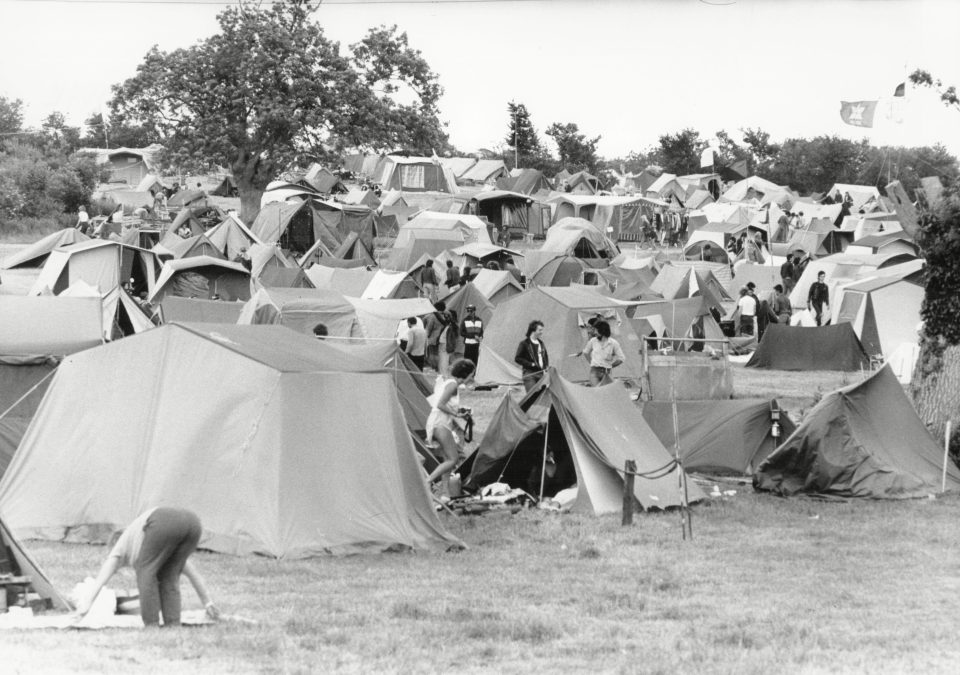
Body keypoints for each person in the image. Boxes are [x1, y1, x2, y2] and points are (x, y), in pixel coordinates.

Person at [74, 507, 219, 627]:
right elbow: (193, 574)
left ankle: (151, 625)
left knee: (145, 571)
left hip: (163, 520)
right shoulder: (161, 549)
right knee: (170, 575)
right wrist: (207, 602)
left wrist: (86, 604)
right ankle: (173, 625)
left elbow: (100, 580)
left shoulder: (120, 549)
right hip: (194, 524)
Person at [424, 358, 476, 499]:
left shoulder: (451, 384)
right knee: (453, 459)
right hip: (439, 422)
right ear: (465, 374)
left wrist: (460, 413)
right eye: (472, 374)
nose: (472, 377)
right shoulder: (452, 385)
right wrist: (456, 414)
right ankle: (427, 481)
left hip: (441, 422)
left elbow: (445, 403)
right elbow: (440, 404)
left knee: (447, 459)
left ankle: (445, 494)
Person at [576, 320, 625, 386]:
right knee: (597, 391)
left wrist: (611, 365)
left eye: (596, 330)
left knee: (606, 392)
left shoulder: (613, 343)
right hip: (594, 372)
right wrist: (592, 363)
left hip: (607, 373)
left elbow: (621, 358)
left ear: (602, 331)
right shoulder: (593, 341)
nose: (595, 332)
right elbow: (586, 352)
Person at [514, 320, 549, 392]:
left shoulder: (541, 343)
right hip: (529, 374)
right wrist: (531, 364)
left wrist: (546, 368)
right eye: (540, 330)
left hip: (541, 374)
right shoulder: (524, 344)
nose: (541, 332)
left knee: (543, 396)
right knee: (532, 396)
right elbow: (517, 358)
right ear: (533, 330)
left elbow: (545, 357)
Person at [423, 302, 451, 371]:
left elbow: (429, 328)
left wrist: (427, 336)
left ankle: (435, 368)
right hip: (444, 339)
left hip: (433, 338)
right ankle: (440, 367)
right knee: (441, 354)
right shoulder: (447, 315)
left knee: (433, 354)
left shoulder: (432, 316)